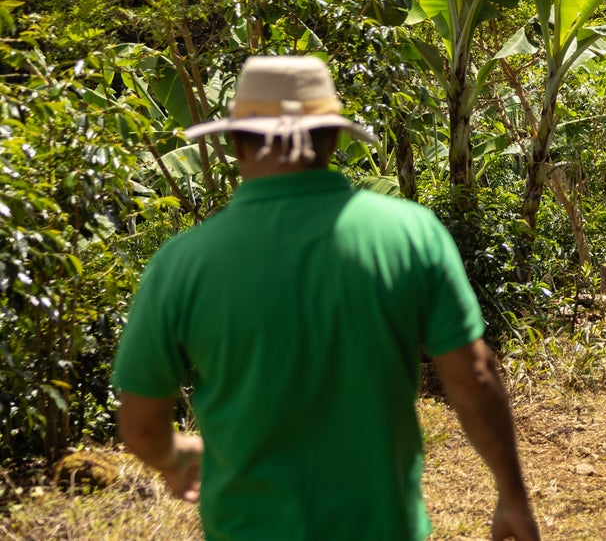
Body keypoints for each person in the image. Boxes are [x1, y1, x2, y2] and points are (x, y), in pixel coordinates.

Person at [111, 55, 539, 541]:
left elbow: (141, 424)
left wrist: (175, 456)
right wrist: (512, 495)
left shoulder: (181, 262)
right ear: (333, 138)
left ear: (233, 142)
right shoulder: (410, 233)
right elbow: (473, 374)